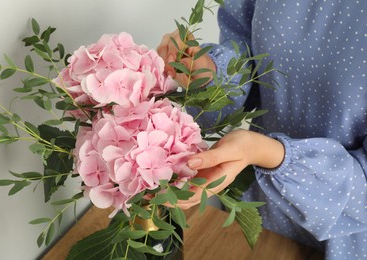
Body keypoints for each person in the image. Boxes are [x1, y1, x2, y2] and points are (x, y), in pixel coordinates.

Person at [157, 1, 367, 259]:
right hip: (251, 213)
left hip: (348, 242)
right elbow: (248, 62)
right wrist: (208, 74)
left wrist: (269, 154)